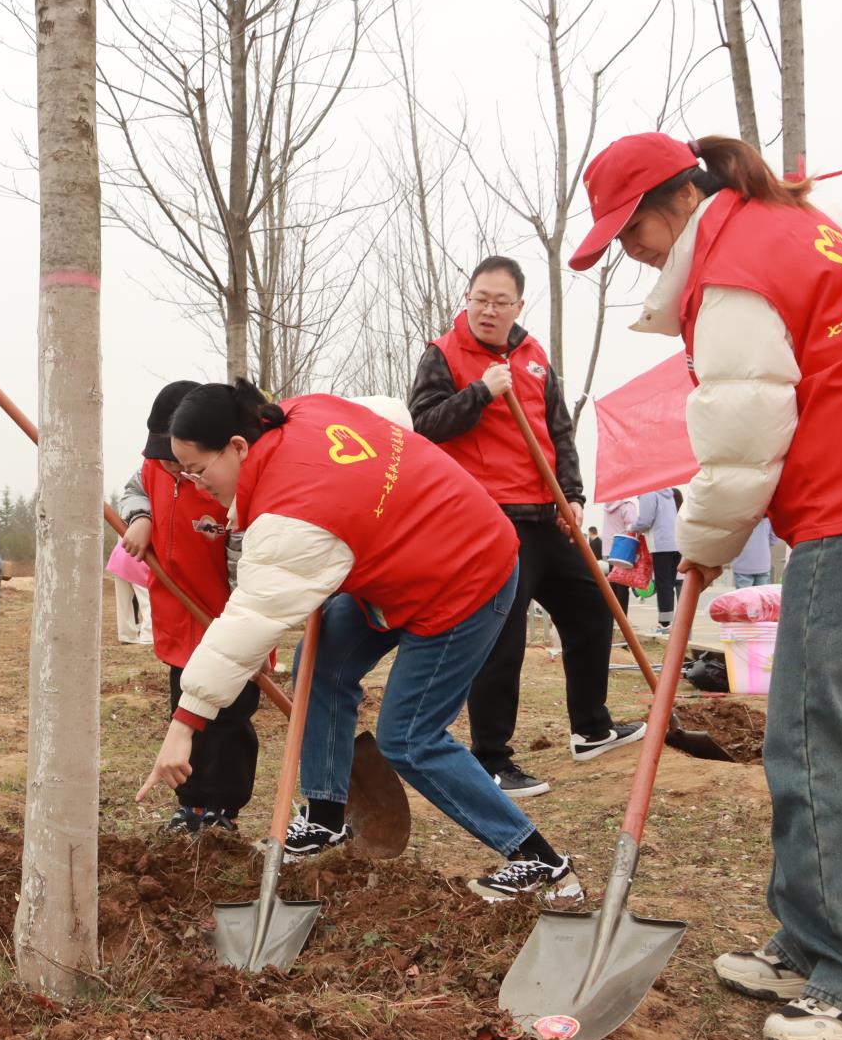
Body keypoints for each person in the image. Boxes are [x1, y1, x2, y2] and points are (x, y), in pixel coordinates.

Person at [571, 131, 842, 1040]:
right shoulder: (782, 221)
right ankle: (809, 944)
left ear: (667, 205)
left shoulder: (735, 269)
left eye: (630, 238)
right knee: (825, 737)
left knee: (818, 744)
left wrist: (699, 543)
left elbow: (743, 442)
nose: (636, 256)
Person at [137, 381, 583, 900]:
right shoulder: (299, 413)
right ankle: (327, 815)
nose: (192, 482)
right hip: (402, 559)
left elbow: (250, 620)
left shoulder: (294, 519)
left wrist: (186, 722)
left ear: (238, 446)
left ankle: (537, 860)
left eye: (196, 469)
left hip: (467, 575)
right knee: (321, 664)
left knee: (409, 738)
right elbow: (392, 415)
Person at [409, 256, 643, 799]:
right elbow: (424, 426)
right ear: (466, 299)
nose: (488, 310)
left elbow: (558, 431)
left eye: (500, 301)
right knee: (502, 640)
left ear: (518, 305)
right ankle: (491, 759)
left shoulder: (535, 357)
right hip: (488, 520)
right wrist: (481, 393)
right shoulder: (443, 355)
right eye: (479, 299)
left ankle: (591, 726)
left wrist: (574, 496)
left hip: (547, 514)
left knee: (592, 608)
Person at [117, 381, 259, 833]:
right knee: (184, 710)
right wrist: (139, 517)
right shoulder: (154, 467)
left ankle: (222, 808)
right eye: (163, 456)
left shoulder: (223, 486)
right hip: (178, 620)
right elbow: (133, 489)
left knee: (229, 720)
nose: (171, 468)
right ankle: (191, 805)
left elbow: (244, 566)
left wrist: (239, 624)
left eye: (180, 462)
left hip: (226, 625)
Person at [634, 486, 682, 633]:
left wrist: (632, 526)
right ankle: (668, 622)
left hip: (661, 544)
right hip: (675, 542)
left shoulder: (648, 491)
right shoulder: (669, 492)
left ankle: (665, 624)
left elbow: (645, 521)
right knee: (669, 585)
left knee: (663, 585)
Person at [600, 496, 641, 619]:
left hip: (609, 548)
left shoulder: (607, 505)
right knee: (623, 585)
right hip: (623, 548)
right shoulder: (627, 505)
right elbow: (633, 526)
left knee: (613, 582)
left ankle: (612, 614)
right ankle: (621, 617)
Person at [731, 517, 776, 589]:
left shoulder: (737, 514)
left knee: (744, 598)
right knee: (761, 597)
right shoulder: (767, 517)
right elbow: (773, 540)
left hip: (741, 563)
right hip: (762, 562)